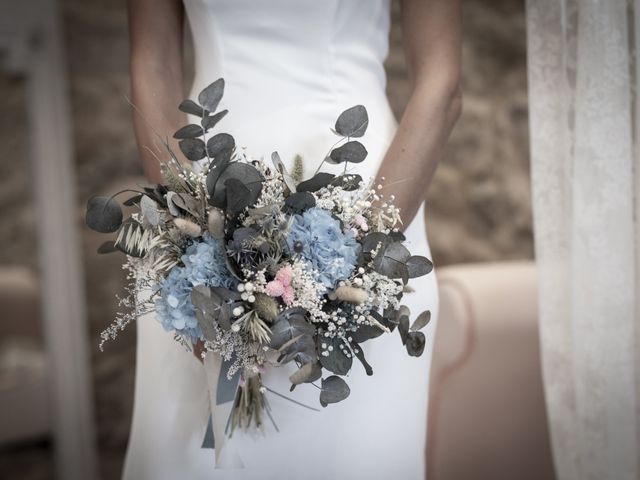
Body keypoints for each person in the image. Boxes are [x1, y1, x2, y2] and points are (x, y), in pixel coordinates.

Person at [124, 1, 461, 478]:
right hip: (200, 195)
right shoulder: (192, 227)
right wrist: (193, 234)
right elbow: (151, 61)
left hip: (368, 202)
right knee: (193, 459)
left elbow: (441, 82)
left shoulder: (367, 233)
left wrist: (357, 255)